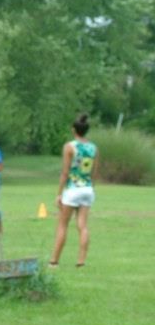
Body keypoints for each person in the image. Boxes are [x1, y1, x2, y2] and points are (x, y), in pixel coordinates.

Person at [49, 113, 98, 267]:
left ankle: (54, 261)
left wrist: (59, 194)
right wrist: (91, 187)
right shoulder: (93, 148)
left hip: (72, 189)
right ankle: (81, 261)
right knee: (82, 225)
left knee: (62, 224)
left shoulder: (69, 147)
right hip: (87, 188)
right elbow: (94, 172)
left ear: (73, 129)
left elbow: (65, 172)